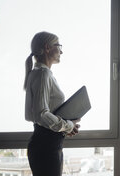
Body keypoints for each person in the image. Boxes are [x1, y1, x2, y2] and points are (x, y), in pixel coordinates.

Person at [24, 31, 80, 176]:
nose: (61, 50)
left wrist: (65, 127)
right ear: (47, 48)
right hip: (46, 147)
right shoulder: (43, 73)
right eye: (58, 46)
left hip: (46, 144)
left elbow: (37, 115)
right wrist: (68, 125)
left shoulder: (38, 73)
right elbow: (41, 114)